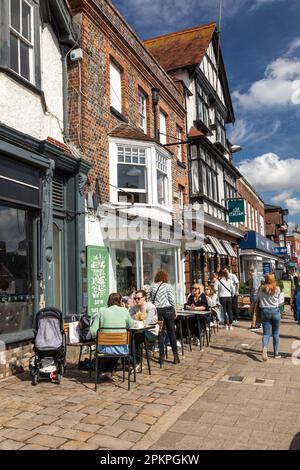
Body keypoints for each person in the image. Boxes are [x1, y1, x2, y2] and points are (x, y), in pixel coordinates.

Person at [89, 293, 134, 380]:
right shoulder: (124, 311)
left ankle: (105, 371)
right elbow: (131, 325)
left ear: (109, 301)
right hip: (121, 349)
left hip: (104, 348)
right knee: (117, 346)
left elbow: (93, 331)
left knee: (106, 346)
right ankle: (108, 371)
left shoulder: (102, 312)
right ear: (120, 301)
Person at [149, 270, 180, 364]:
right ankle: (175, 356)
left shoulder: (152, 286)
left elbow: (150, 300)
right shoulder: (168, 286)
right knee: (171, 333)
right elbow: (172, 299)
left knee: (160, 334)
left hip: (158, 311)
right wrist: (175, 310)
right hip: (168, 310)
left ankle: (161, 357)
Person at [129, 290, 159, 371]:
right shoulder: (135, 307)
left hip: (151, 332)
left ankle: (137, 363)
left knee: (134, 338)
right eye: (135, 298)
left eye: (138, 298)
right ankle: (136, 363)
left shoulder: (151, 307)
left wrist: (134, 320)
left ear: (144, 298)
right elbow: (128, 317)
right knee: (130, 337)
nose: (136, 300)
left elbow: (147, 323)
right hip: (139, 332)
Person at [257, 273, 281, 361]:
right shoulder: (277, 289)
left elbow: (258, 298)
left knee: (266, 334)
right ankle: (276, 353)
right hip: (275, 311)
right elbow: (279, 300)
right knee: (275, 334)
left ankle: (264, 348)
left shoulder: (261, 289)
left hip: (265, 311)